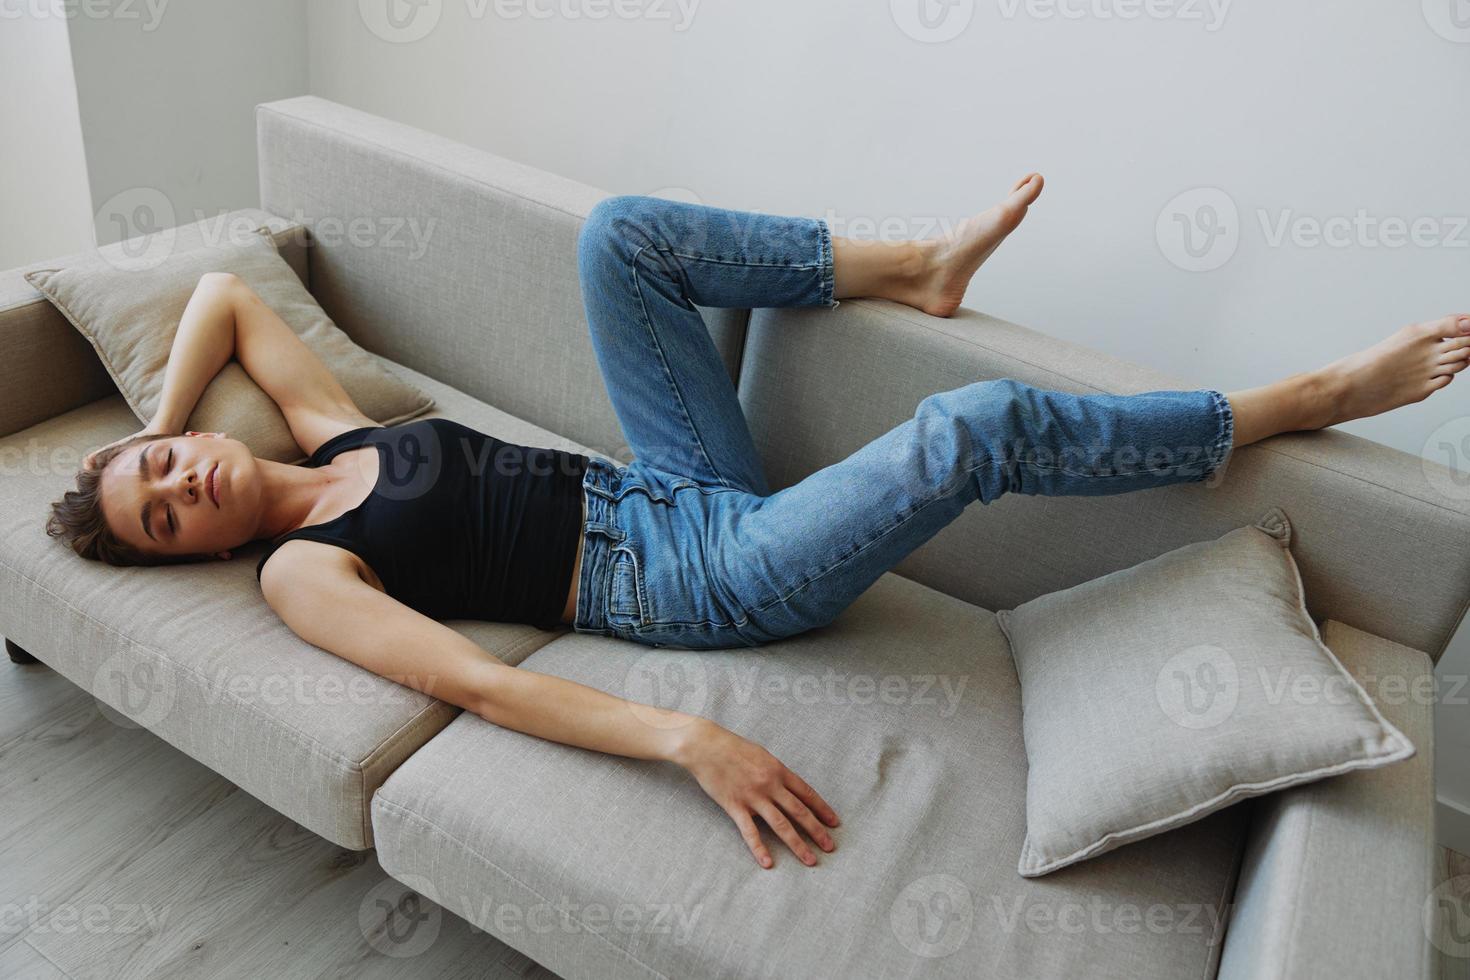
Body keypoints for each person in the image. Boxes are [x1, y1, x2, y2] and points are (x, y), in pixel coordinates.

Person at [47, 176, 1469, 869]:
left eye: (167, 467)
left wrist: (143, 417)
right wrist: (688, 736)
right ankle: (1281, 404)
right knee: (964, 432)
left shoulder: (321, 433)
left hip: (667, 482)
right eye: (168, 520)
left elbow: (225, 305)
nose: (184, 486)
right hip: (703, 578)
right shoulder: (304, 569)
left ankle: (909, 267)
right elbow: (474, 684)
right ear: (208, 555)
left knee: (620, 238)